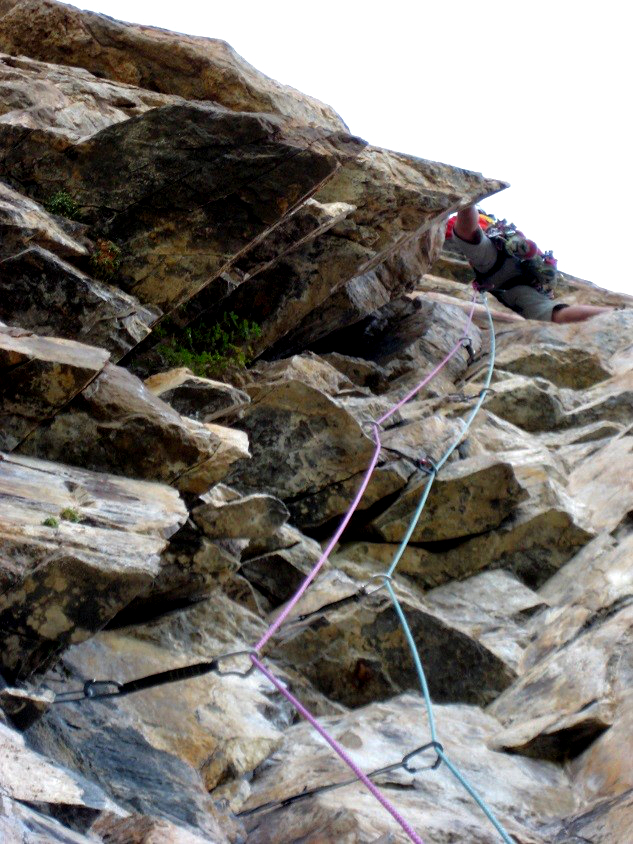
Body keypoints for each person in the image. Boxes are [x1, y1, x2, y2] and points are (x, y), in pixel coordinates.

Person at [450, 206, 611, 323]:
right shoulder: (494, 224)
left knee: (469, 236)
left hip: (495, 264)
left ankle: (469, 201)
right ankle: (614, 313)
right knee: (554, 314)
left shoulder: (482, 224)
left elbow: (460, 231)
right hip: (524, 279)